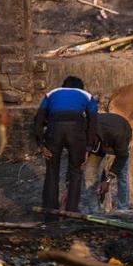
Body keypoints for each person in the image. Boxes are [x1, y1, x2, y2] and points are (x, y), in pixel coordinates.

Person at [34, 76, 98, 215]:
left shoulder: (51, 93)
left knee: (52, 171)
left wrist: (40, 144)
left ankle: (50, 212)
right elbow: (93, 123)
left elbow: (38, 118)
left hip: (54, 129)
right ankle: (72, 212)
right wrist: (88, 148)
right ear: (81, 87)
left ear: (63, 86)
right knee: (76, 171)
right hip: (76, 132)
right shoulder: (87, 96)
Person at [82, 113, 132, 212]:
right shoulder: (83, 128)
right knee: (89, 174)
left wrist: (108, 180)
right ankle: (94, 209)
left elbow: (122, 157)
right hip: (100, 143)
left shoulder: (118, 134)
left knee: (122, 175)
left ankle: (123, 208)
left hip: (121, 135)